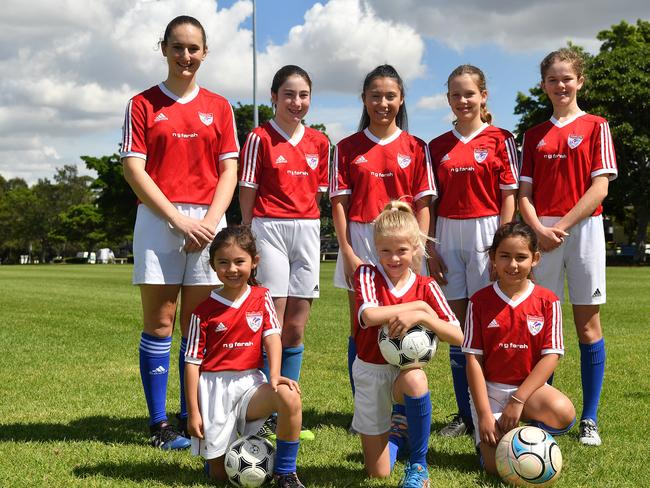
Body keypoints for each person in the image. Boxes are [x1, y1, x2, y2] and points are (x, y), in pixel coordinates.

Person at [120, 15, 239, 449]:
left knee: (199, 326)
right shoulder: (142, 104)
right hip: (159, 219)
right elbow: (134, 168)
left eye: (194, 48)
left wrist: (208, 222)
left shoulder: (220, 106)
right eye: (177, 47)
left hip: (210, 222)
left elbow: (230, 168)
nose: (185, 56)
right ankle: (159, 424)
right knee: (160, 322)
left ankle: (193, 416)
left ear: (205, 53)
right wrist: (178, 219)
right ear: (163, 48)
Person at [518, 48, 617, 446]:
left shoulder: (597, 126)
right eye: (553, 79)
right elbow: (524, 192)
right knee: (540, 327)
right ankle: (544, 414)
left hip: (583, 232)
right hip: (542, 234)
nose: (561, 86)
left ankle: (589, 418)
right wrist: (538, 227)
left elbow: (601, 186)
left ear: (580, 81)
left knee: (587, 325)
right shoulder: (533, 135)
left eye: (567, 78)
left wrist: (560, 225)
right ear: (543, 85)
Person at [330, 64, 436, 407]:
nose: (383, 103)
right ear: (364, 100)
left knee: (408, 324)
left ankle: (404, 404)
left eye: (390, 96)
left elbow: (423, 203)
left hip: (404, 243)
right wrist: (346, 249)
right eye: (375, 96)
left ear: (401, 98)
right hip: (361, 236)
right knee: (361, 326)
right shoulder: (346, 147)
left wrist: (419, 247)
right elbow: (340, 203)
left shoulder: (417, 146)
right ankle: (366, 403)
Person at [427, 65, 519, 437]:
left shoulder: (501, 138)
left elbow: (509, 194)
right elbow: (429, 204)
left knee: (487, 325)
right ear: (448, 99)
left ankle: (495, 409)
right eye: (455, 95)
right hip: (448, 233)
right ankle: (465, 416)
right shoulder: (435, 146)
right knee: (458, 331)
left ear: (483, 96)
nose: (463, 101)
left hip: (487, 230)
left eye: (469, 93)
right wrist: (431, 248)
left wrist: (502, 247)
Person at [239, 65, 329, 440]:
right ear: (274, 97)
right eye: (289, 94)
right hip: (268, 227)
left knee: (295, 326)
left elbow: (319, 193)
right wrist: (246, 232)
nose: (297, 102)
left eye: (303, 95)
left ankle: (286, 409)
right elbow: (248, 188)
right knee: (271, 321)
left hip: (306, 229)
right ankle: (261, 408)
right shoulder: (259, 138)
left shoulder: (320, 143)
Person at [185, 226, 305, 488]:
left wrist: (274, 375)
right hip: (215, 390)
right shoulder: (203, 311)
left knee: (289, 396)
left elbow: (272, 336)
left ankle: (286, 473)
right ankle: (215, 457)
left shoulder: (261, 298)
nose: (232, 269)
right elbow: (192, 364)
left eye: (240, 261)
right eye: (223, 262)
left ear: (254, 262)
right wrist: (193, 412)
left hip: (251, 384)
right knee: (219, 477)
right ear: (213, 265)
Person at [352, 202, 463, 487]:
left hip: (404, 373)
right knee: (378, 473)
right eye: (385, 251)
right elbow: (369, 315)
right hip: (371, 371)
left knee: (415, 378)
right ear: (376, 248)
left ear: (415, 248)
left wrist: (423, 315)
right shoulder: (367, 274)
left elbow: (458, 334)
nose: (393, 258)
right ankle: (398, 431)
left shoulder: (428, 285)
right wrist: (418, 307)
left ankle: (419, 465)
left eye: (401, 250)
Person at [463, 222, 576, 474]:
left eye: (521, 257)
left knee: (563, 412)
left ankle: (528, 432)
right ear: (493, 257)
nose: (512, 265)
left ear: (535, 259)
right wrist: (483, 413)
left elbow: (551, 356)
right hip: (490, 392)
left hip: (528, 392)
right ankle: (493, 440)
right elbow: (473, 361)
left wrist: (517, 400)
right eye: (504, 256)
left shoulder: (548, 301)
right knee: (497, 469)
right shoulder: (478, 301)